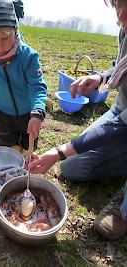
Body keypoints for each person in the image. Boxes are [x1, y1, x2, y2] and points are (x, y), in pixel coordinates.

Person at [27, 0, 127, 240]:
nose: (121, 16)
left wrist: (59, 150)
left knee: (67, 156)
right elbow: (121, 67)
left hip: (122, 122)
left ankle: (124, 207)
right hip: (121, 110)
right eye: (119, 6)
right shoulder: (125, 27)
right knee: (72, 168)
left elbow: (118, 126)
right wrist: (99, 78)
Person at [0, 0, 47, 150]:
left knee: (29, 145)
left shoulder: (28, 56)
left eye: (5, 37)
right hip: (3, 112)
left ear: (15, 29)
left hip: (28, 112)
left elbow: (37, 86)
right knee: (3, 143)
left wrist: (37, 113)